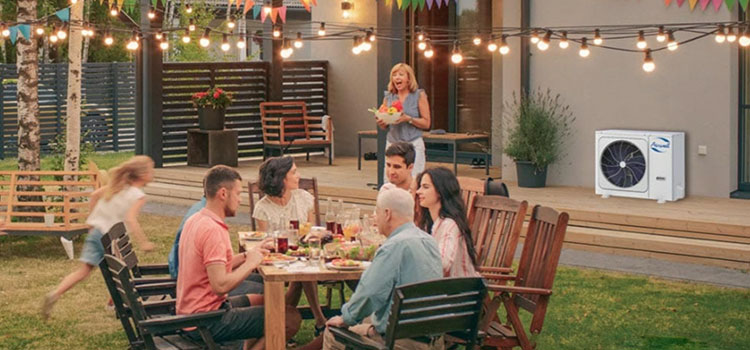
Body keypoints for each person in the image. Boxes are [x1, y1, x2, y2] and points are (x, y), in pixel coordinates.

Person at [177, 165, 301, 348]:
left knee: (272, 301)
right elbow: (220, 285)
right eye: (238, 194)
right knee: (289, 318)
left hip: (193, 311)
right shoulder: (213, 231)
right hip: (206, 320)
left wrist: (246, 255)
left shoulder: (197, 219)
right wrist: (250, 264)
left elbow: (213, 266)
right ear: (223, 194)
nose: (240, 200)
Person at [323, 188, 444, 350]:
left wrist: (346, 318)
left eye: (376, 212)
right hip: (433, 339)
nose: (375, 217)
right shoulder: (429, 241)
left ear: (387, 214)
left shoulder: (394, 246)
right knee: (368, 320)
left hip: (401, 340)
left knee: (332, 332)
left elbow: (370, 293)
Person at [41, 155, 156, 320]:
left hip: (96, 232)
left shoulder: (116, 187)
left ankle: (55, 293)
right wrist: (144, 242)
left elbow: (94, 195)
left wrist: (91, 220)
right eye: (151, 169)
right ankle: (114, 304)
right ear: (142, 174)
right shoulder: (138, 195)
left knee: (84, 271)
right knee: (121, 272)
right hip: (112, 237)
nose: (153, 173)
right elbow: (131, 218)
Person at [252, 156, 328, 338]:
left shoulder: (304, 198)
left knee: (303, 270)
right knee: (303, 273)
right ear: (281, 178)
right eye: (294, 172)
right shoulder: (263, 207)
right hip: (276, 258)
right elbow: (265, 241)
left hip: (304, 253)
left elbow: (311, 231)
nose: (299, 176)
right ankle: (319, 320)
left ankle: (288, 324)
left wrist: (313, 237)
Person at [416, 167, 479, 278]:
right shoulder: (429, 224)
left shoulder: (450, 225)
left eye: (425, 187)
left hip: (459, 290)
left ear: (440, 191)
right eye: (420, 187)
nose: (418, 191)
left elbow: (442, 263)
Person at [377, 63, 431, 179]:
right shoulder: (388, 97)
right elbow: (384, 125)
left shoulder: (419, 95)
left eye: (401, 74)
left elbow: (426, 123)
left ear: (408, 79)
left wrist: (408, 119)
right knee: (390, 180)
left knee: (414, 180)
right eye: (394, 75)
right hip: (393, 144)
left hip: (413, 144)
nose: (397, 77)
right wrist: (382, 122)